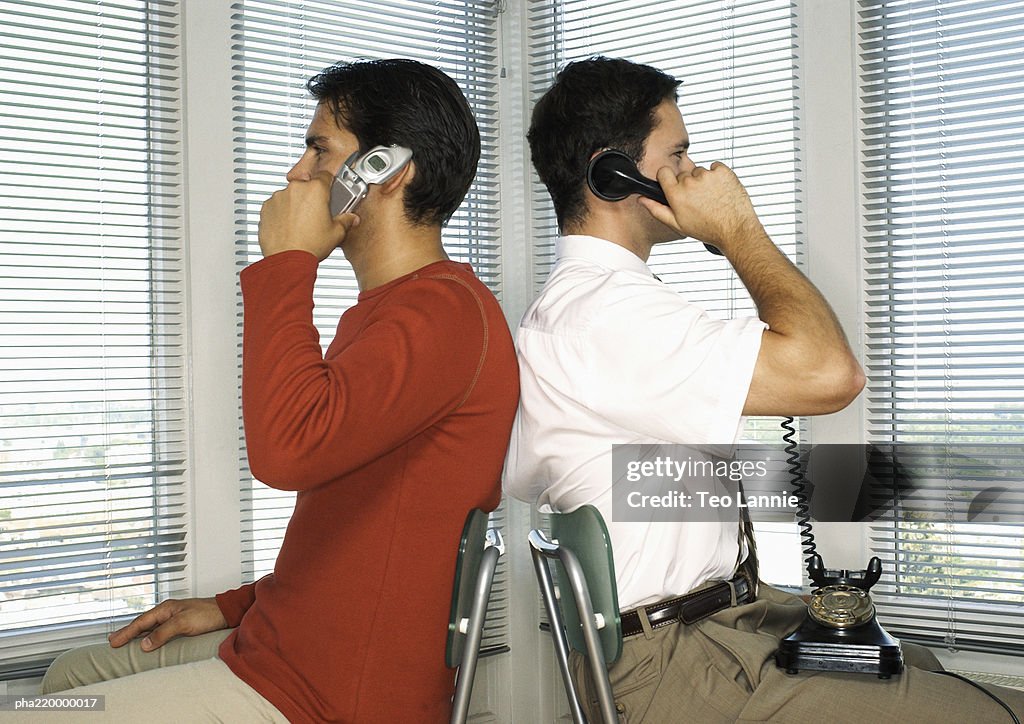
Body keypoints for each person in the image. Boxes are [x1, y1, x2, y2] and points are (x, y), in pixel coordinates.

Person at [503, 56, 1024, 722]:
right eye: (679, 154)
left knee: (916, 663)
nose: (696, 174)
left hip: (719, 625)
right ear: (614, 173)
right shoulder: (603, 314)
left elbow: (654, 484)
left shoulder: (598, 308)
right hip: (677, 663)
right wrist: (736, 227)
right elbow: (831, 374)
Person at [33, 58, 519, 723]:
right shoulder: (393, 312)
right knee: (72, 676)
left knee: (41, 714)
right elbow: (357, 531)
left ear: (385, 170)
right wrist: (232, 607)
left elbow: (285, 452)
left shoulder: (443, 316)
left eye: (319, 150)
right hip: (284, 652)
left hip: (327, 695)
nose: (297, 172)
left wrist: (287, 262)